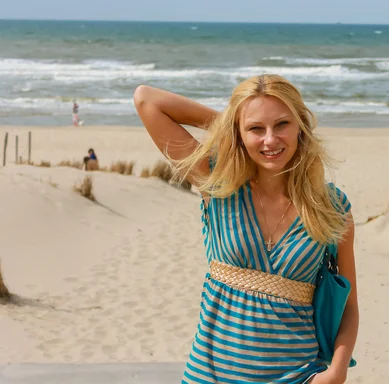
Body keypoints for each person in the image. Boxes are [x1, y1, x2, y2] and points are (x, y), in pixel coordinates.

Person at [133, 74, 359, 384]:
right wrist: (234, 126)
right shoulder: (218, 184)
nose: (270, 140)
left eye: (282, 124)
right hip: (209, 377)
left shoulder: (331, 205)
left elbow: (350, 306)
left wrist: (337, 372)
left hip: (299, 376)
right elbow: (146, 99)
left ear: (300, 127)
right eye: (256, 128)